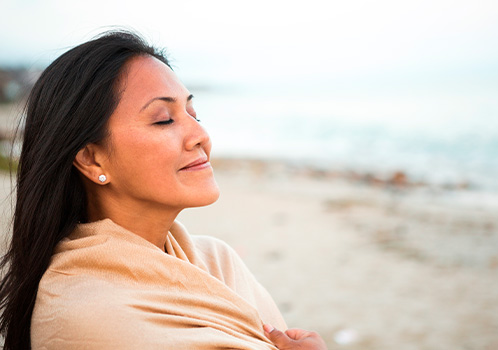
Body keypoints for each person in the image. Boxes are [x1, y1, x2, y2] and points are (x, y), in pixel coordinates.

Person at [0, 30, 327, 350]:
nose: (200, 135)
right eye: (163, 120)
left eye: (194, 114)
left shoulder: (218, 261)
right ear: (92, 159)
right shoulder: (85, 314)